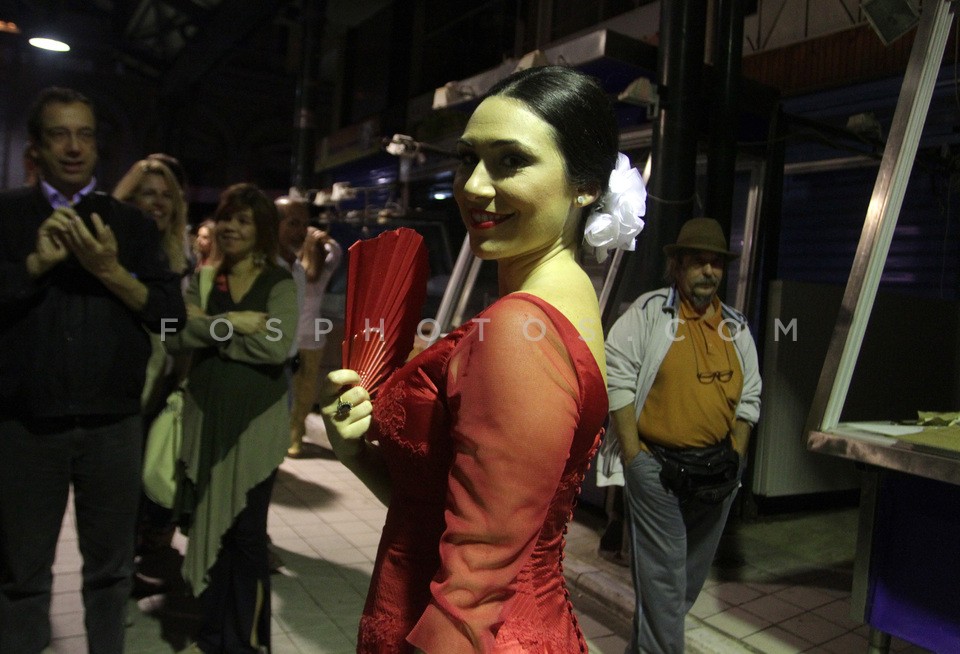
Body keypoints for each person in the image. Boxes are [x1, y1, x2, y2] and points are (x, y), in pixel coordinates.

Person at [320, 65, 645, 653]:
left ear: (586, 184)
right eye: (468, 159)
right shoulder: (565, 300)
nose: (472, 185)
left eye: (510, 161)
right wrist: (354, 455)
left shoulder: (519, 330)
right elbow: (456, 516)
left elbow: (471, 593)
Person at [0, 86, 185, 654]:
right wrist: (35, 265)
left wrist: (111, 271)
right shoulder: (7, 216)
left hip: (113, 425)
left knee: (110, 573)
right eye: (59, 133)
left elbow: (173, 321)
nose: (74, 146)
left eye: (84, 134)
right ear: (36, 147)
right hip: (26, 426)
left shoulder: (129, 226)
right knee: (21, 576)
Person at [602, 217, 761, 654]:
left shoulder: (736, 325)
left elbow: (751, 395)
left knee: (680, 585)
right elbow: (617, 378)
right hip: (658, 470)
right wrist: (635, 458)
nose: (708, 271)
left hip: (719, 473)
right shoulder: (649, 312)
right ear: (677, 266)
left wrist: (737, 453)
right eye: (698, 262)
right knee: (666, 581)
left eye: (716, 264)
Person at [163, 183, 298, 653]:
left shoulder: (279, 282)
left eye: (244, 220)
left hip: (257, 425)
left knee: (245, 535)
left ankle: (245, 641)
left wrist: (210, 327)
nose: (233, 228)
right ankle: (214, 629)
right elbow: (174, 338)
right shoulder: (203, 278)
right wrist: (237, 323)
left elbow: (276, 345)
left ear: (261, 230)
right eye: (227, 218)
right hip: (207, 419)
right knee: (212, 528)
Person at [275, 196, 343, 457]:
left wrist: (320, 238)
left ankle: (295, 437)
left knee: (301, 394)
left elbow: (335, 253)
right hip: (296, 339)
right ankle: (289, 435)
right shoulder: (293, 268)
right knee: (294, 393)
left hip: (309, 340)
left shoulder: (313, 273)